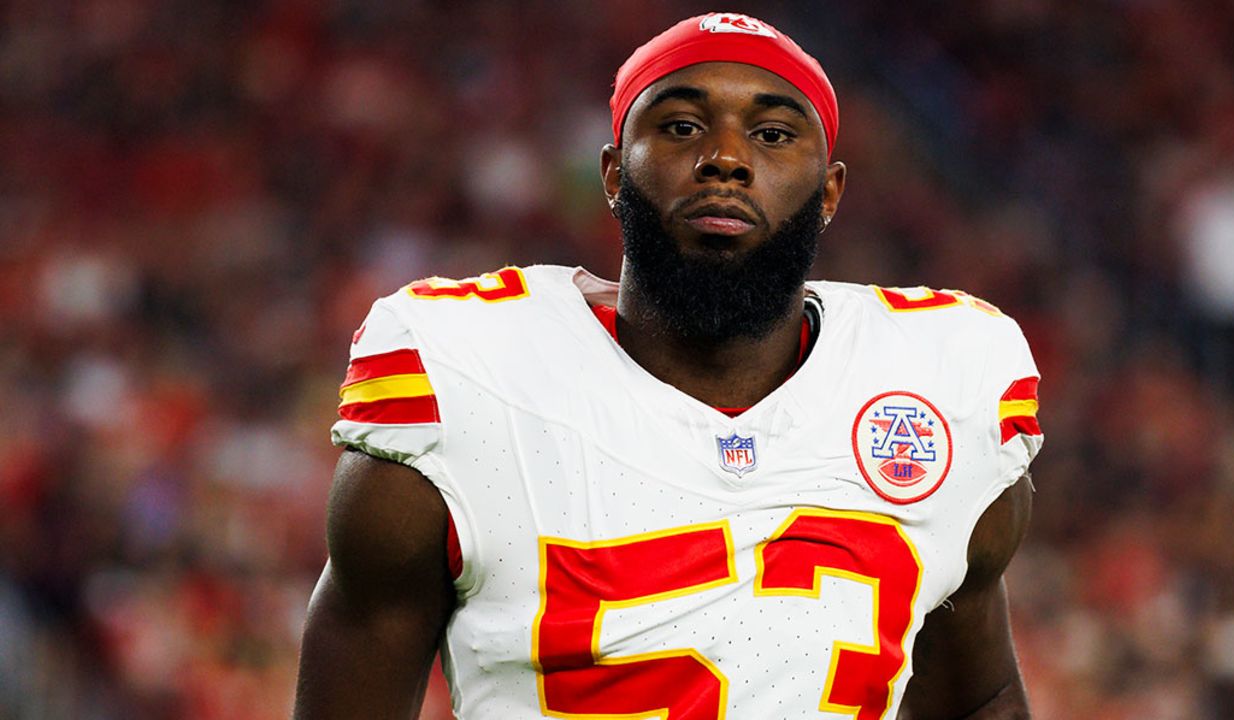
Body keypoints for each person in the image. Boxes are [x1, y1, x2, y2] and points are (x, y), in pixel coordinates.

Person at [294, 12, 1043, 719]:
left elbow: (977, 700)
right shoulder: (466, 374)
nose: (725, 158)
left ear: (831, 192)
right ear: (615, 173)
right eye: (682, 126)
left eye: (775, 133)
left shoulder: (946, 383)